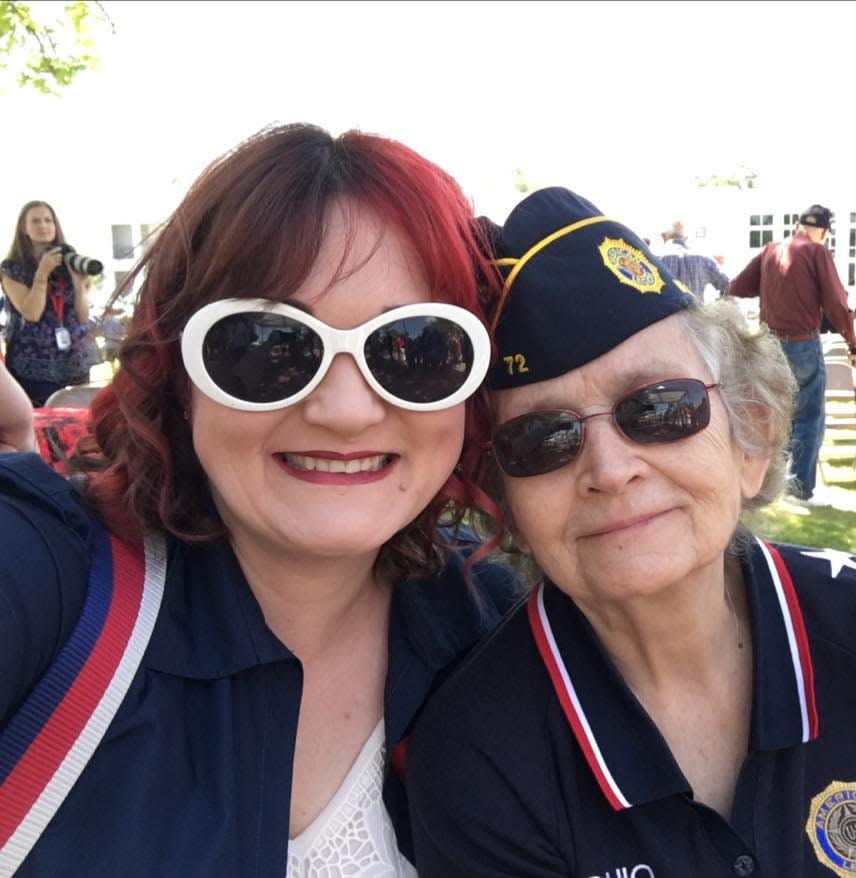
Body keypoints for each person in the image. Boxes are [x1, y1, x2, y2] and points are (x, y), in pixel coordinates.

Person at [406, 186, 856, 878]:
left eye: (660, 407)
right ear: (507, 501)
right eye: (544, 438)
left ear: (750, 439)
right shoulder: (477, 755)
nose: (609, 470)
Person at [0, 124, 518, 875]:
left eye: (414, 348)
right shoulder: (49, 574)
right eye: (268, 347)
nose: (346, 411)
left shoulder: (489, 624)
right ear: (177, 372)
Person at [727, 203, 856, 506]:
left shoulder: (771, 249)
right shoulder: (816, 252)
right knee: (809, 417)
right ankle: (800, 489)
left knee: (772, 416)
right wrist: (851, 339)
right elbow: (836, 302)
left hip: (768, 343)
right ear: (823, 231)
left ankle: (770, 486)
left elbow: (738, 285)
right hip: (801, 344)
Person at [1, 201, 98, 406]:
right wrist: (42, 273)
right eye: (35, 221)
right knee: (42, 425)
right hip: (33, 366)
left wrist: (80, 285)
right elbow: (32, 313)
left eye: (48, 220)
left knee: (73, 422)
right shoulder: (11, 269)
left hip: (75, 361)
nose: (43, 225)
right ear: (23, 228)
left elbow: (82, 317)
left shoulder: (70, 262)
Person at [657, 220, 730, 301]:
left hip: (667, 312)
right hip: (698, 312)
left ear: (664, 237)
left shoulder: (657, 260)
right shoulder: (704, 258)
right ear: (685, 238)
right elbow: (728, 286)